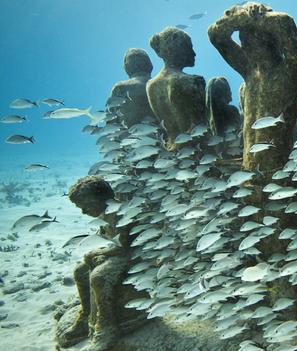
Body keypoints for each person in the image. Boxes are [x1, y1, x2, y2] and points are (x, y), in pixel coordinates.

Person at [209, 2, 297, 172]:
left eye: (250, 39)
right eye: (243, 39)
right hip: (248, 174)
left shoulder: (292, 69)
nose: (245, 46)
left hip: (279, 175)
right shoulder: (250, 73)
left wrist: (260, 17)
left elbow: (285, 23)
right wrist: (240, 16)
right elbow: (215, 35)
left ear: (273, 40)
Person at [58, 176, 140, 351]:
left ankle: (106, 329)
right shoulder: (106, 213)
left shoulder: (119, 213)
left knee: (99, 277)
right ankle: (86, 315)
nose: (83, 212)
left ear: (100, 200)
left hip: (135, 256)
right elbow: (106, 237)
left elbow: (125, 246)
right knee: (80, 271)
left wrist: (100, 252)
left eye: (86, 207)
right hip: (119, 252)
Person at [147, 27, 207, 146]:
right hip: (198, 151)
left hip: (172, 151)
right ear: (178, 50)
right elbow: (202, 122)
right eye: (189, 48)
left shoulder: (150, 85)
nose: (194, 53)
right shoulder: (190, 81)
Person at [108, 48, 155, 127]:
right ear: (150, 65)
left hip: (130, 137)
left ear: (126, 67)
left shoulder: (120, 88)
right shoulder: (161, 84)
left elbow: (111, 125)